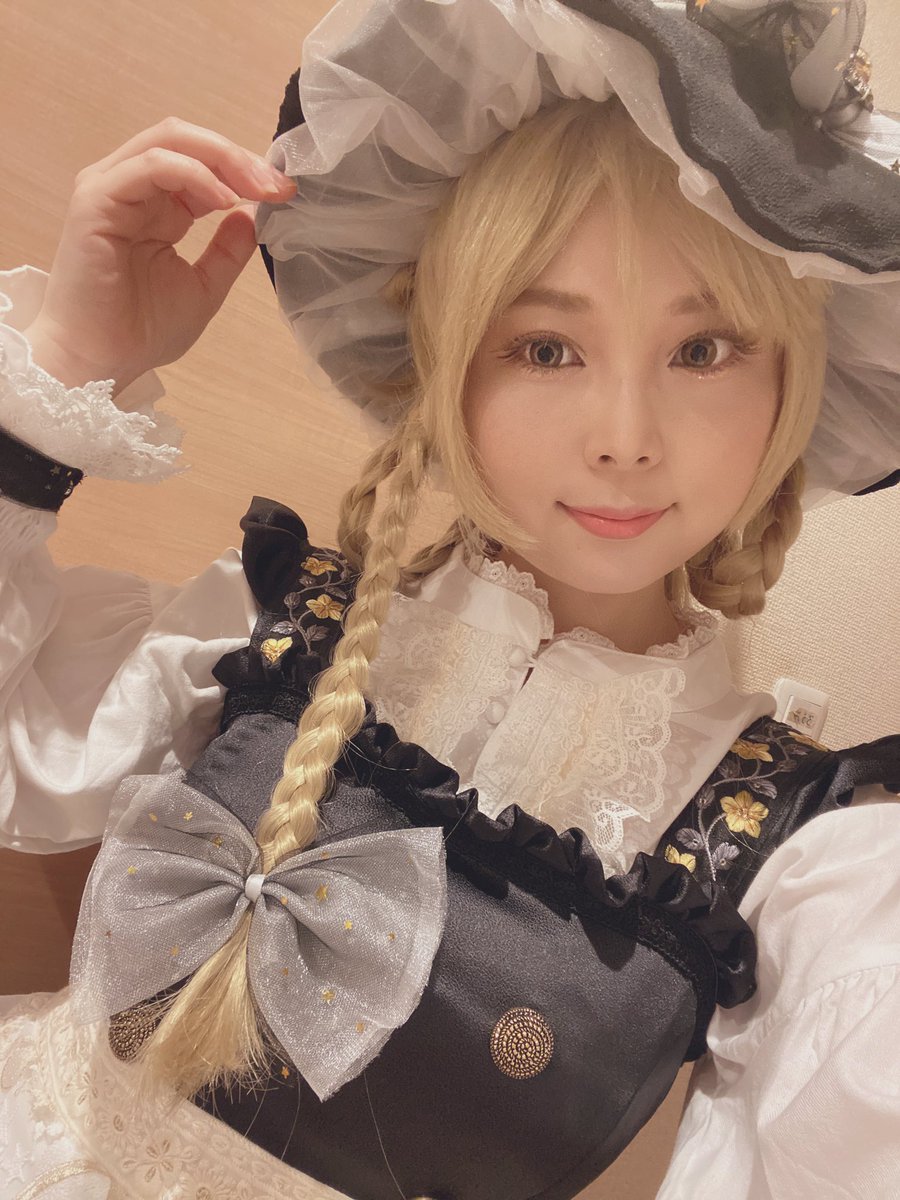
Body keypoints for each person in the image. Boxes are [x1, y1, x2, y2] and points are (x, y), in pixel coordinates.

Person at [1, 0, 899, 1197]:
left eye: (703, 350)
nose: (625, 437)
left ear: (793, 377)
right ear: (449, 359)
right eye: (547, 347)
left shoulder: (800, 864)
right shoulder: (264, 631)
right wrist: (68, 364)